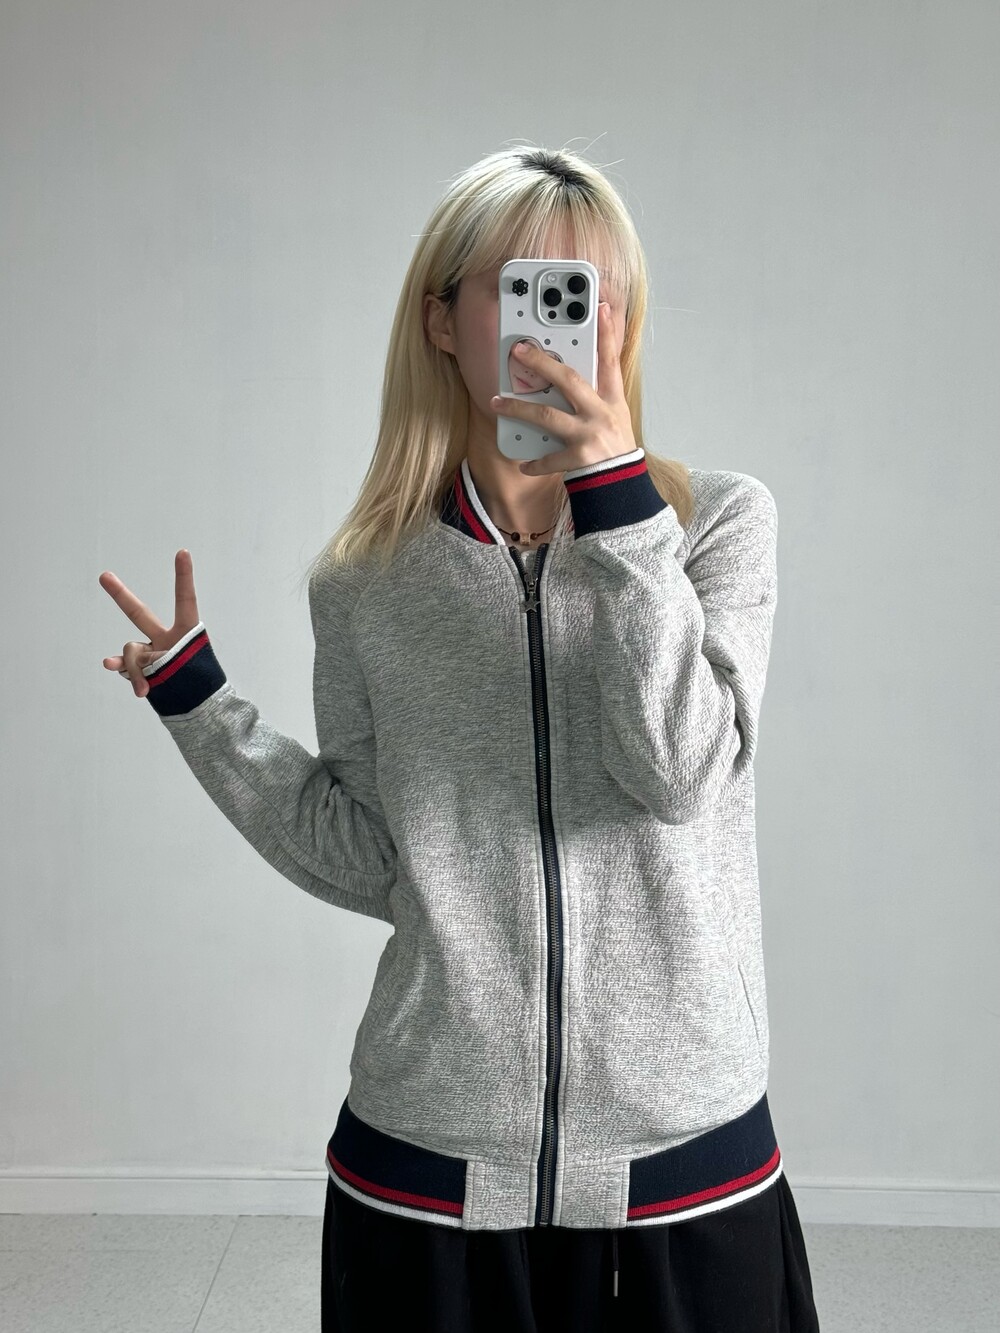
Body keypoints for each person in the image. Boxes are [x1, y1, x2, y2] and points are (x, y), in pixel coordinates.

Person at [99, 143, 821, 1332]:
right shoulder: (366, 581)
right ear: (442, 321)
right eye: (525, 287)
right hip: (427, 1165)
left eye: (590, 293)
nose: (562, 323)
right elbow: (376, 856)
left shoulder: (711, 528)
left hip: (682, 1166)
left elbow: (679, 771)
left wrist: (618, 506)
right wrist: (200, 705)